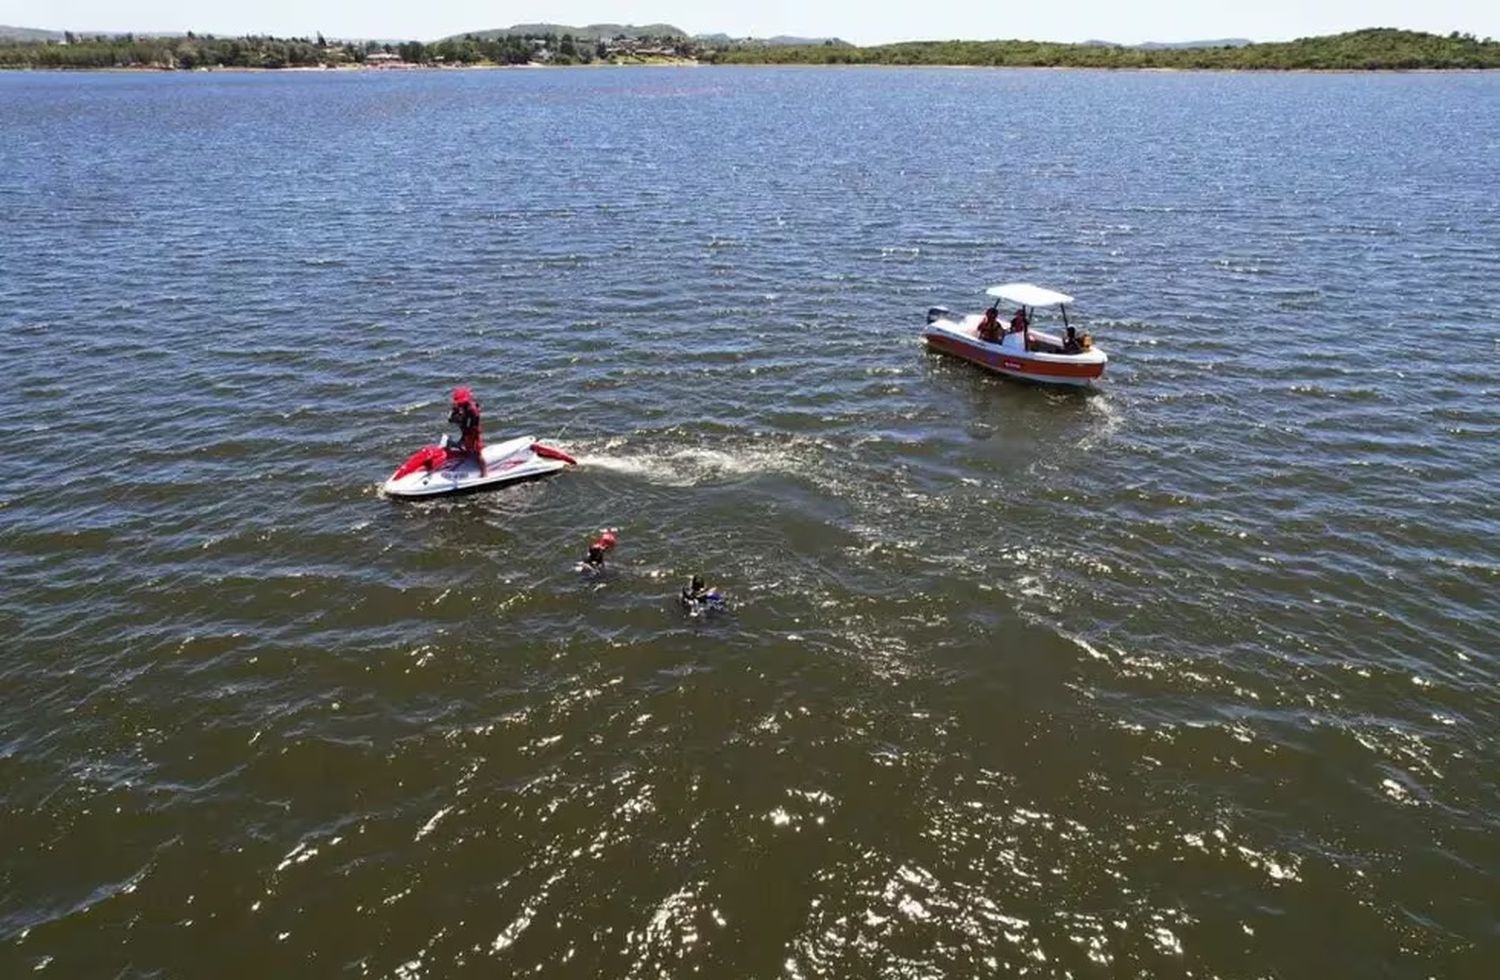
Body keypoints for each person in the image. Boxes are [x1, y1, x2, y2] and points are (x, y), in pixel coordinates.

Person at [448, 386, 485, 477]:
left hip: (473, 431)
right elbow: (451, 419)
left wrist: (466, 435)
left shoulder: (472, 410)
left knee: (477, 451)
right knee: (467, 446)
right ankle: (469, 457)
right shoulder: (461, 407)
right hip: (466, 429)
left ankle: (484, 472)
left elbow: (473, 425)